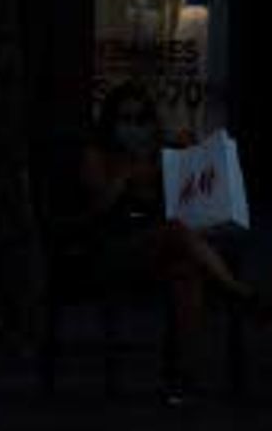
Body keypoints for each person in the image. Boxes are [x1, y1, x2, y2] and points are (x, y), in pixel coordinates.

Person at [69, 82, 252, 408]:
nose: (134, 127)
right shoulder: (97, 155)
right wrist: (122, 179)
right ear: (111, 121)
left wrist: (187, 156)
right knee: (177, 232)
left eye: (141, 119)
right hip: (115, 248)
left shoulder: (160, 157)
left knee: (186, 273)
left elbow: (189, 191)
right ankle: (235, 291)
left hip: (156, 248)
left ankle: (182, 377)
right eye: (125, 118)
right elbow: (96, 210)